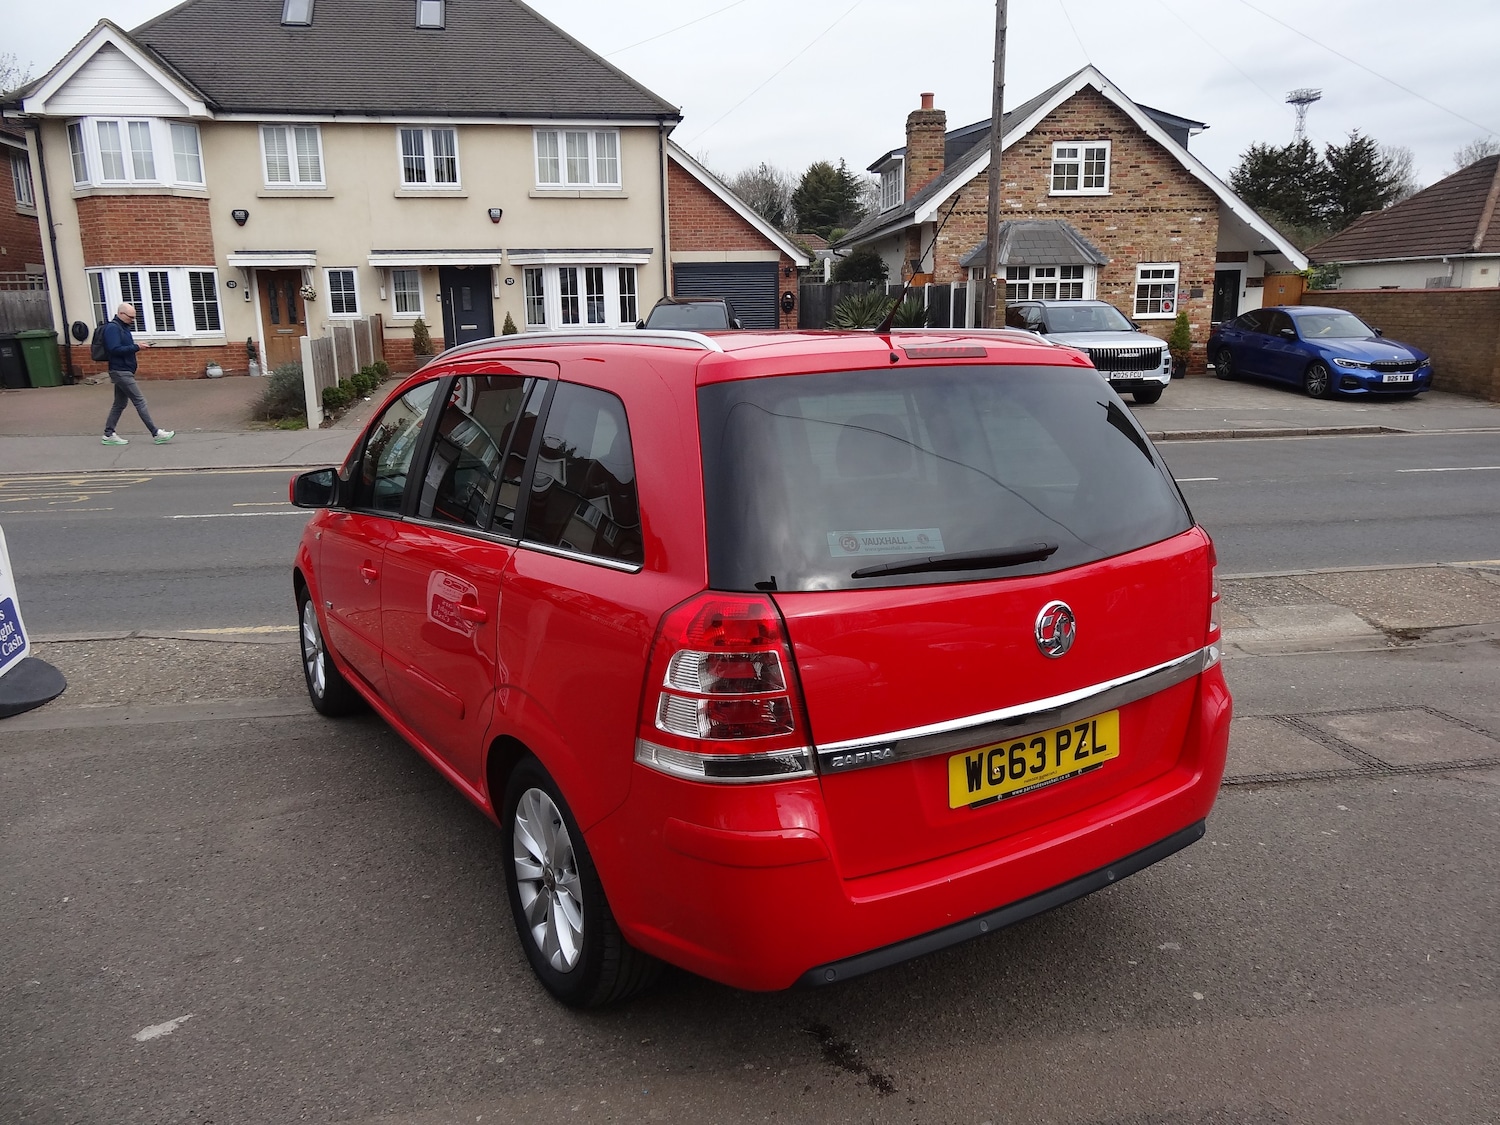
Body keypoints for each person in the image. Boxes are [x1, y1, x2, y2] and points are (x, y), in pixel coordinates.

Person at [101, 302, 173, 446]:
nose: (132, 320)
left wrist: (136, 345)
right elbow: (114, 349)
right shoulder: (113, 328)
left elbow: (122, 347)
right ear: (121, 314)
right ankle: (156, 433)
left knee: (119, 404)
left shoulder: (122, 327)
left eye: (134, 318)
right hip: (120, 371)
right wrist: (136, 347)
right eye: (131, 317)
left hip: (124, 370)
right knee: (140, 401)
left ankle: (108, 434)